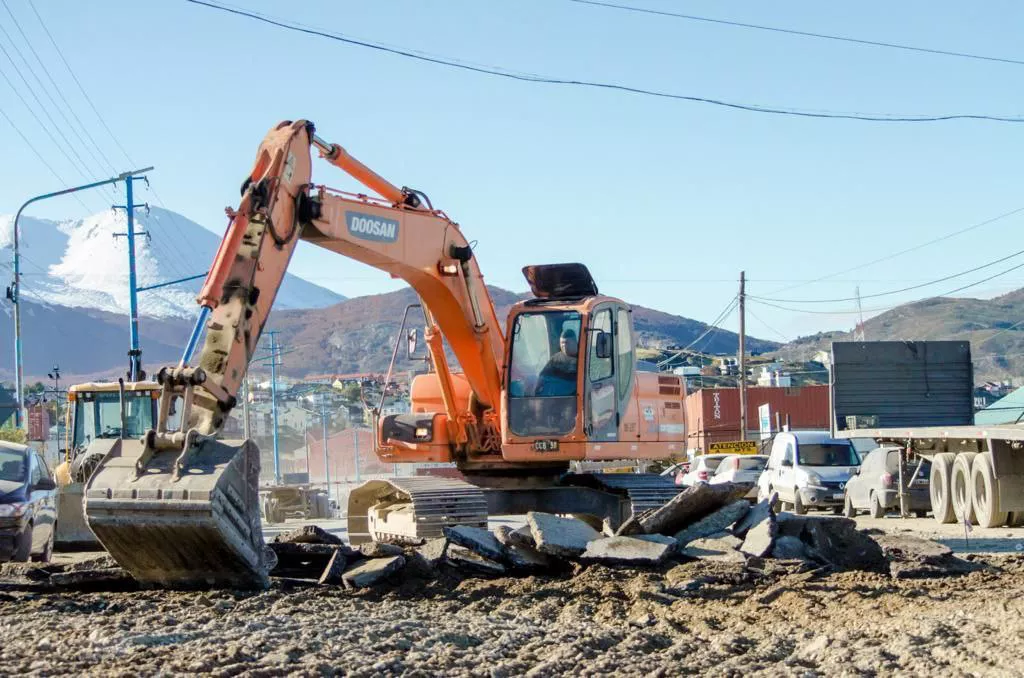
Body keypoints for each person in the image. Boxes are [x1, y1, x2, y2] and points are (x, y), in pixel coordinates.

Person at [536, 327, 579, 395]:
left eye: (567, 342)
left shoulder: (583, 357)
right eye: (562, 343)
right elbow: (542, 377)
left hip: (577, 394)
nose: (564, 345)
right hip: (558, 397)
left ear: (574, 342)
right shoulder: (555, 359)